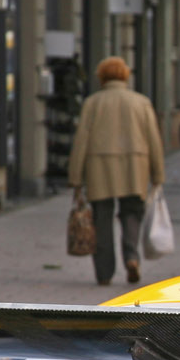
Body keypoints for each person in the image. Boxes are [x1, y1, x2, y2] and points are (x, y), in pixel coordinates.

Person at [67, 56, 165, 286]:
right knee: (132, 214)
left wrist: (76, 178)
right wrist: (158, 175)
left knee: (101, 220)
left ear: (101, 77)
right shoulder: (141, 102)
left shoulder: (93, 103)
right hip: (134, 168)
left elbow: (81, 141)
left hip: (100, 169)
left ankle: (104, 273)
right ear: (125, 76)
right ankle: (131, 258)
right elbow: (154, 140)